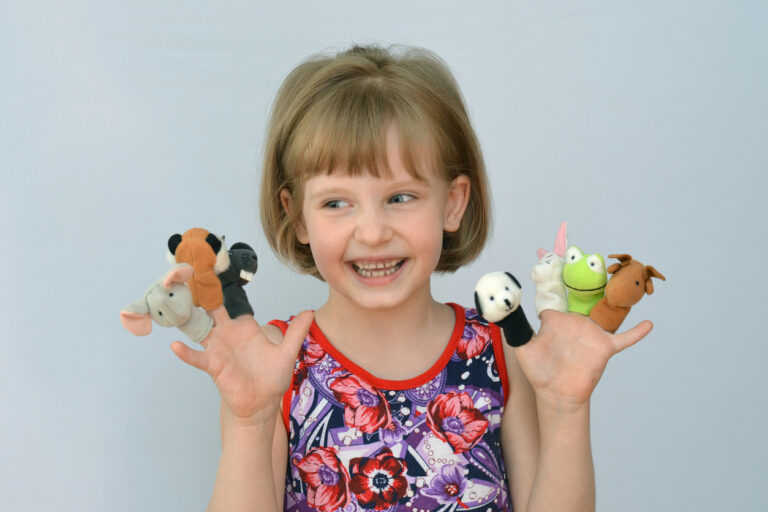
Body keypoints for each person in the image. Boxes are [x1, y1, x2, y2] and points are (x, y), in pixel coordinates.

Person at [170, 44, 653, 512]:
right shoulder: (272, 363)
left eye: (400, 197)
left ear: (453, 202)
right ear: (296, 216)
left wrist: (567, 412)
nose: (374, 232)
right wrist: (251, 422)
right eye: (336, 202)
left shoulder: (503, 352)